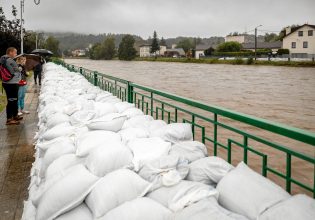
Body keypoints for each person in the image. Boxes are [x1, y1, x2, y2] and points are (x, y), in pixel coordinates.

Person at [0, 47, 23, 125]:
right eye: (15, 52)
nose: (16, 54)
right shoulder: (9, 60)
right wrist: (19, 67)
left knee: (14, 100)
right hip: (11, 84)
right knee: (11, 101)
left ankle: (15, 115)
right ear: (10, 52)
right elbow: (14, 71)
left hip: (10, 83)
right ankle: (9, 119)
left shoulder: (5, 60)